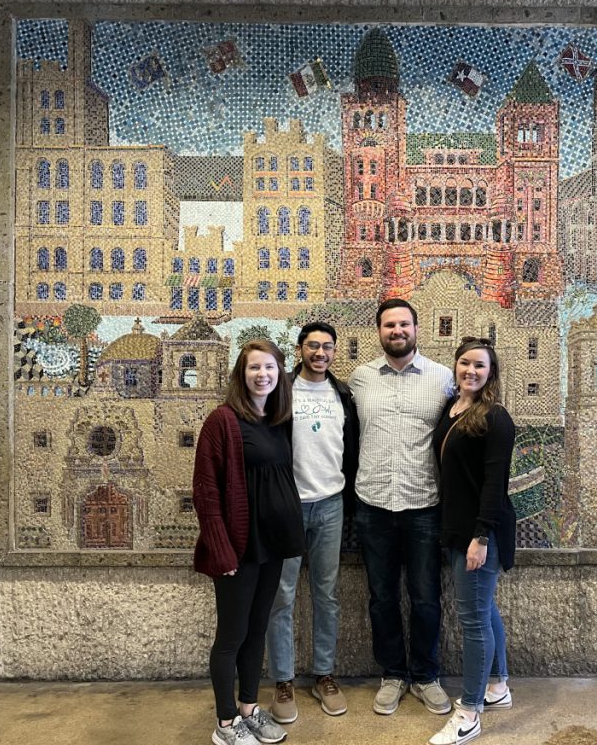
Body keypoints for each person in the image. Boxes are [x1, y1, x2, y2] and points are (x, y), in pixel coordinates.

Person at [193, 340, 304, 745]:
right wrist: (220, 550)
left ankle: (248, 709)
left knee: (258, 630)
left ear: (280, 374)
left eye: (270, 368)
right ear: (241, 375)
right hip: (237, 550)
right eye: (254, 368)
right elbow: (206, 493)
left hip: (271, 547)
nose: (263, 375)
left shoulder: (277, 420)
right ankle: (225, 725)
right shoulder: (221, 422)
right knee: (232, 636)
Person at [348, 298, 455, 716]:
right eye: (390, 325)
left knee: (426, 597)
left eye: (404, 324)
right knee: (382, 596)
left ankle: (426, 675)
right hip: (373, 504)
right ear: (379, 331)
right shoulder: (360, 379)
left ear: (416, 327)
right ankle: (393, 674)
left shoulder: (443, 378)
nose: (398, 331)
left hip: (424, 504)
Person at [266, 322, 359, 723]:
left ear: (335, 352)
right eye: (313, 346)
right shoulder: (280, 390)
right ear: (300, 349)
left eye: (327, 347)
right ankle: (283, 680)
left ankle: (324, 674)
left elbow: (349, 448)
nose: (320, 352)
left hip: (331, 504)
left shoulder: (343, 395)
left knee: (327, 593)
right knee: (282, 595)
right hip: (289, 506)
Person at [428, 337, 517, 745]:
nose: (471, 371)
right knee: (484, 609)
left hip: (480, 532)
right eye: (465, 363)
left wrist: (480, 536)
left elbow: (495, 483)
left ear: (491, 373)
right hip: (455, 527)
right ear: (456, 366)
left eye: (480, 366)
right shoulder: (452, 410)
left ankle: (469, 712)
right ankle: (497, 687)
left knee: (473, 619)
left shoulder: (495, 418)